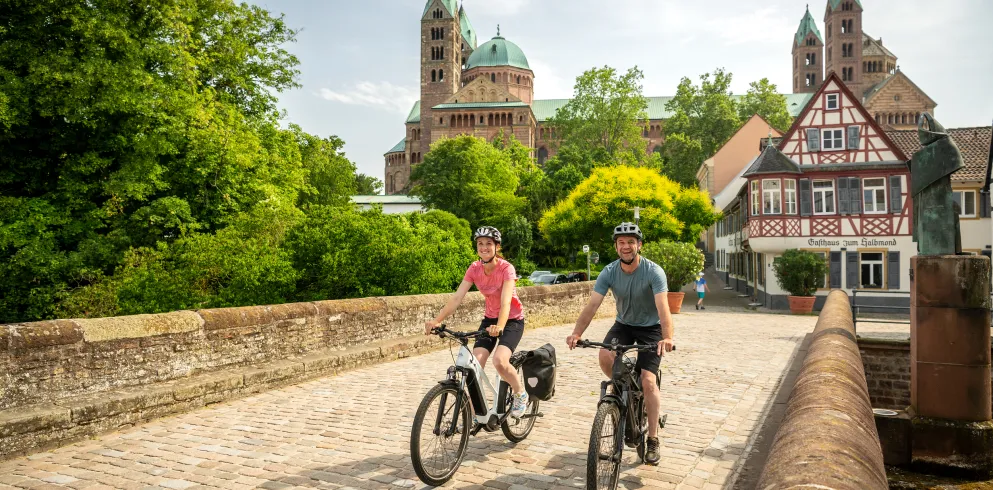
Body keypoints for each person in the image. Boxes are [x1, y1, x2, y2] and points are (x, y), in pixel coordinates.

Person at [565, 222, 675, 466]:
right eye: (621, 243)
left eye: (631, 242)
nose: (626, 247)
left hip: (651, 327)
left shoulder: (653, 271)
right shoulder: (609, 271)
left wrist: (667, 337)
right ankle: (622, 389)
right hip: (624, 324)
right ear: (616, 247)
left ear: (639, 245)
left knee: (648, 380)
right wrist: (577, 332)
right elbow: (592, 305)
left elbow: (663, 307)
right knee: (605, 355)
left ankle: (653, 439)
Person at [424, 226, 529, 417]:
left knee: (500, 361)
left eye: (489, 244)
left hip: (512, 320)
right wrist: (436, 321)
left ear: (497, 247)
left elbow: (506, 301)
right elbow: (457, 298)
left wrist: (501, 327)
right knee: (473, 365)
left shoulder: (506, 269)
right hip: (489, 320)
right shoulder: (474, 269)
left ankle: (520, 393)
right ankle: (474, 413)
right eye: (480, 244)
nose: (484, 247)